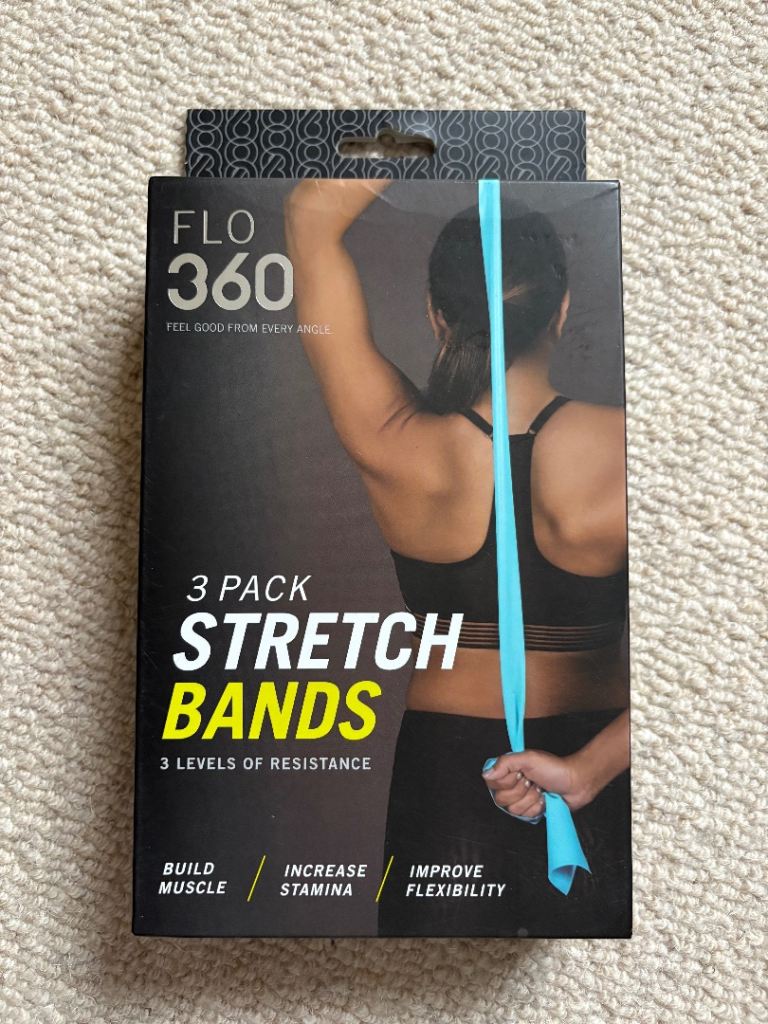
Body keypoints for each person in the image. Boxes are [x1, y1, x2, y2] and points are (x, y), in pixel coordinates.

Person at [283, 178, 631, 937]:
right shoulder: (633, 449)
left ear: (438, 316)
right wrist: (590, 770)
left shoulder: (395, 443)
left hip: (445, 774)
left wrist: (426, 138)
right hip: (605, 763)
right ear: (561, 310)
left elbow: (310, 217)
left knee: (430, 987)